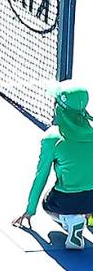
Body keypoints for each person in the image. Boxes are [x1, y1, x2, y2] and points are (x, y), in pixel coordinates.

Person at [12, 86, 93, 250]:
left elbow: (41, 176)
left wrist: (30, 210)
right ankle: (89, 215)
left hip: (65, 202)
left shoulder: (53, 138)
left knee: (48, 203)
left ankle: (70, 221)